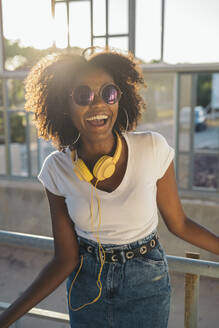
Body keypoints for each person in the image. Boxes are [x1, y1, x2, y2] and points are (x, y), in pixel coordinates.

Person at [0, 47, 218, 328]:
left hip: (147, 283)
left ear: (119, 98)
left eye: (109, 93)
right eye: (83, 95)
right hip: (85, 285)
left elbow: (180, 224)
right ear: (63, 104)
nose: (98, 104)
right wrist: (6, 318)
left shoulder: (152, 147)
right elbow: (65, 259)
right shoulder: (56, 169)